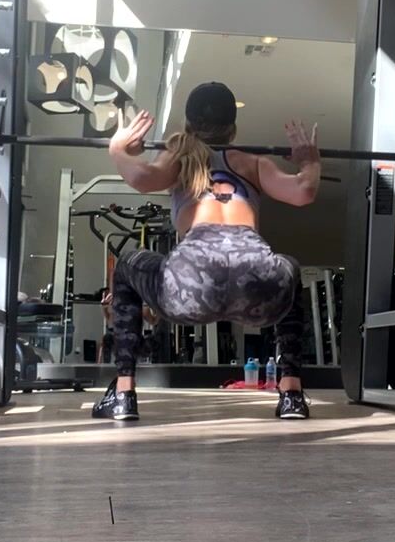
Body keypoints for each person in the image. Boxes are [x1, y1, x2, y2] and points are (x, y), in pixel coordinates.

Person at [92, 82, 320, 422]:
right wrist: (309, 160)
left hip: (190, 288)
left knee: (126, 263)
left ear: (188, 124)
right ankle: (292, 395)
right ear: (233, 129)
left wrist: (118, 150)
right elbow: (304, 190)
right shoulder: (253, 163)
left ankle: (123, 393)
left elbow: (141, 177)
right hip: (256, 285)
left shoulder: (180, 155)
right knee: (288, 267)